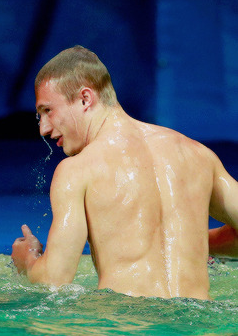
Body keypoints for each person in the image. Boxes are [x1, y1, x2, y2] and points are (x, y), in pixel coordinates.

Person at [12, 46, 238, 300]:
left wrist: (28, 262)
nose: (43, 128)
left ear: (85, 99)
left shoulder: (78, 170)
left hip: (127, 329)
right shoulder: (198, 154)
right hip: (200, 332)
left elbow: (54, 279)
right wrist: (190, 241)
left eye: (47, 111)